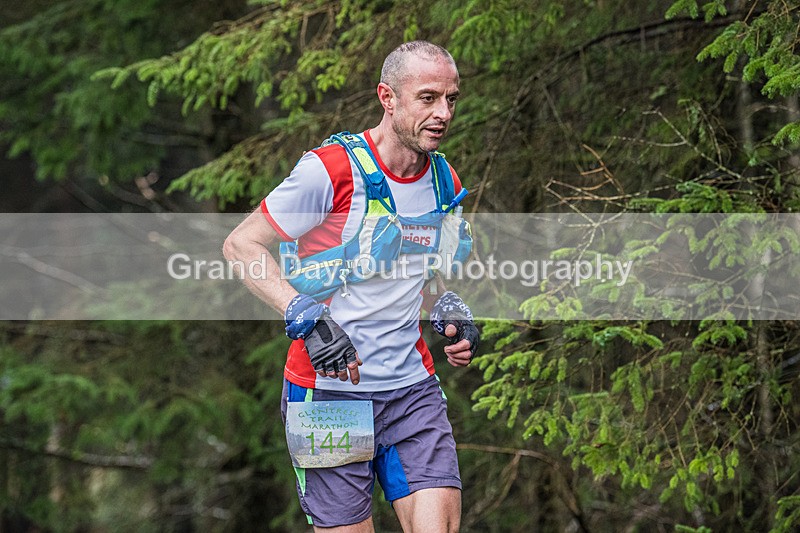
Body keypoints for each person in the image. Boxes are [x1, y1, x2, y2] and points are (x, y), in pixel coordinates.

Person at [223, 41, 479, 532]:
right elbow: (241, 246)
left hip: (412, 393)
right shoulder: (331, 170)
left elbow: (423, 270)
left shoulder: (443, 178)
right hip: (328, 396)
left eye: (451, 99)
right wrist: (304, 313)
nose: (443, 113)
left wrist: (446, 305)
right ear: (388, 96)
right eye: (428, 98)